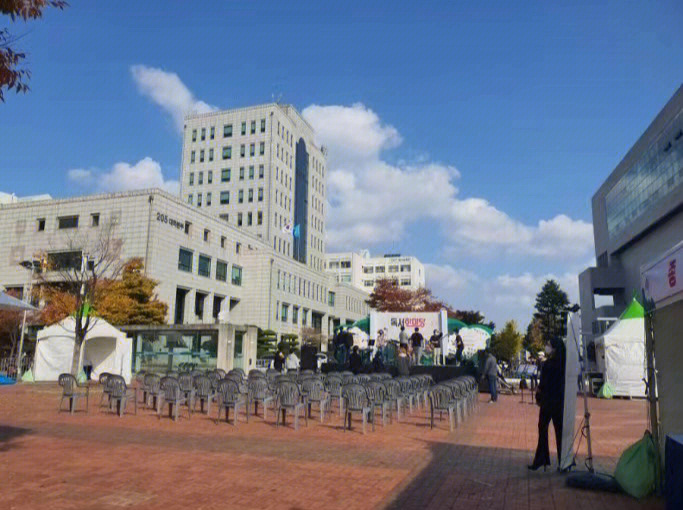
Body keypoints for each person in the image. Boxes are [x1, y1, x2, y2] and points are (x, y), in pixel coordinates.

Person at [529, 337, 566, 471]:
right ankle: (564, 461)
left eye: (549, 345)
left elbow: (543, 384)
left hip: (547, 401)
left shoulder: (548, 364)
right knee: (560, 432)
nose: (547, 347)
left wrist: (539, 394)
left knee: (543, 429)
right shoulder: (565, 363)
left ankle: (541, 458)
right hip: (560, 401)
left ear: (554, 348)